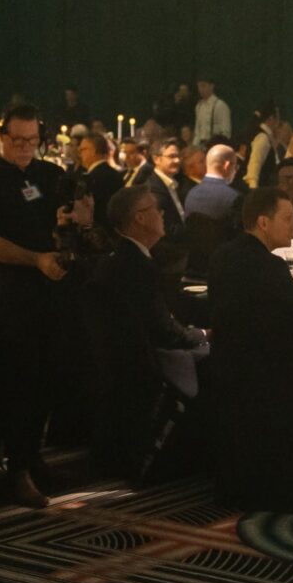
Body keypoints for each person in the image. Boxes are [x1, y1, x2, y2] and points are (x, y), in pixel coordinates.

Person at [205, 187, 293, 511]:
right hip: (271, 375)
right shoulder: (267, 265)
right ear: (263, 223)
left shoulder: (222, 256)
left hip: (230, 368)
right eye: (287, 218)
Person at [0, 104, 71, 507]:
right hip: (14, 293)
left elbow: (65, 223)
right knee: (19, 380)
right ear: (2, 137)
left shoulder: (51, 174)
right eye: (18, 140)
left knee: (51, 376)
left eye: (33, 140)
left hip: (54, 288)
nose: (26, 146)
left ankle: (34, 455)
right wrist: (35, 259)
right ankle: (17, 468)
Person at [88, 185, 207, 471]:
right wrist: (202, 334)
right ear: (140, 218)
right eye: (156, 208)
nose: (162, 214)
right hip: (142, 364)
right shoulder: (136, 266)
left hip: (120, 362)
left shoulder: (124, 257)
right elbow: (164, 331)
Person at [143, 139, 188, 235]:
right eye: (172, 156)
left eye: (178, 156)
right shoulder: (152, 189)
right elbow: (165, 228)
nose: (177, 160)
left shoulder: (177, 182)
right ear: (156, 159)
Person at [184, 145, 243, 219]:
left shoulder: (191, 194)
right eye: (235, 166)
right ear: (227, 165)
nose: (235, 170)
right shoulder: (234, 197)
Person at [191, 78, 233, 148]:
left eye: (203, 86)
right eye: (199, 86)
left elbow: (225, 132)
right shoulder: (199, 106)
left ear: (211, 86)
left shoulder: (220, 105)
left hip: (215, 146)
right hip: (201, 146)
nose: (200, 89)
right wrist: (194, 147)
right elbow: (197, 132)